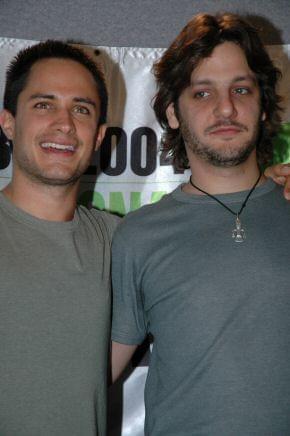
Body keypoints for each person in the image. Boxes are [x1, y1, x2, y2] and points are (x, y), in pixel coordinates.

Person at [111, 13, 290, 435]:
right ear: (173, 113)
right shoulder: (138, 235)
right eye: (203, 92)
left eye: (241, 89)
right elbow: (88, 381)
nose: (226, 108)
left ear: (263, 106)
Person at [0, 40, 119, 436]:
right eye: (43, 104)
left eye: (81, 109)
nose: (65, 124)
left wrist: (270, 190)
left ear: (99, 136)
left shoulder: (120, 242)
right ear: (8, 122)